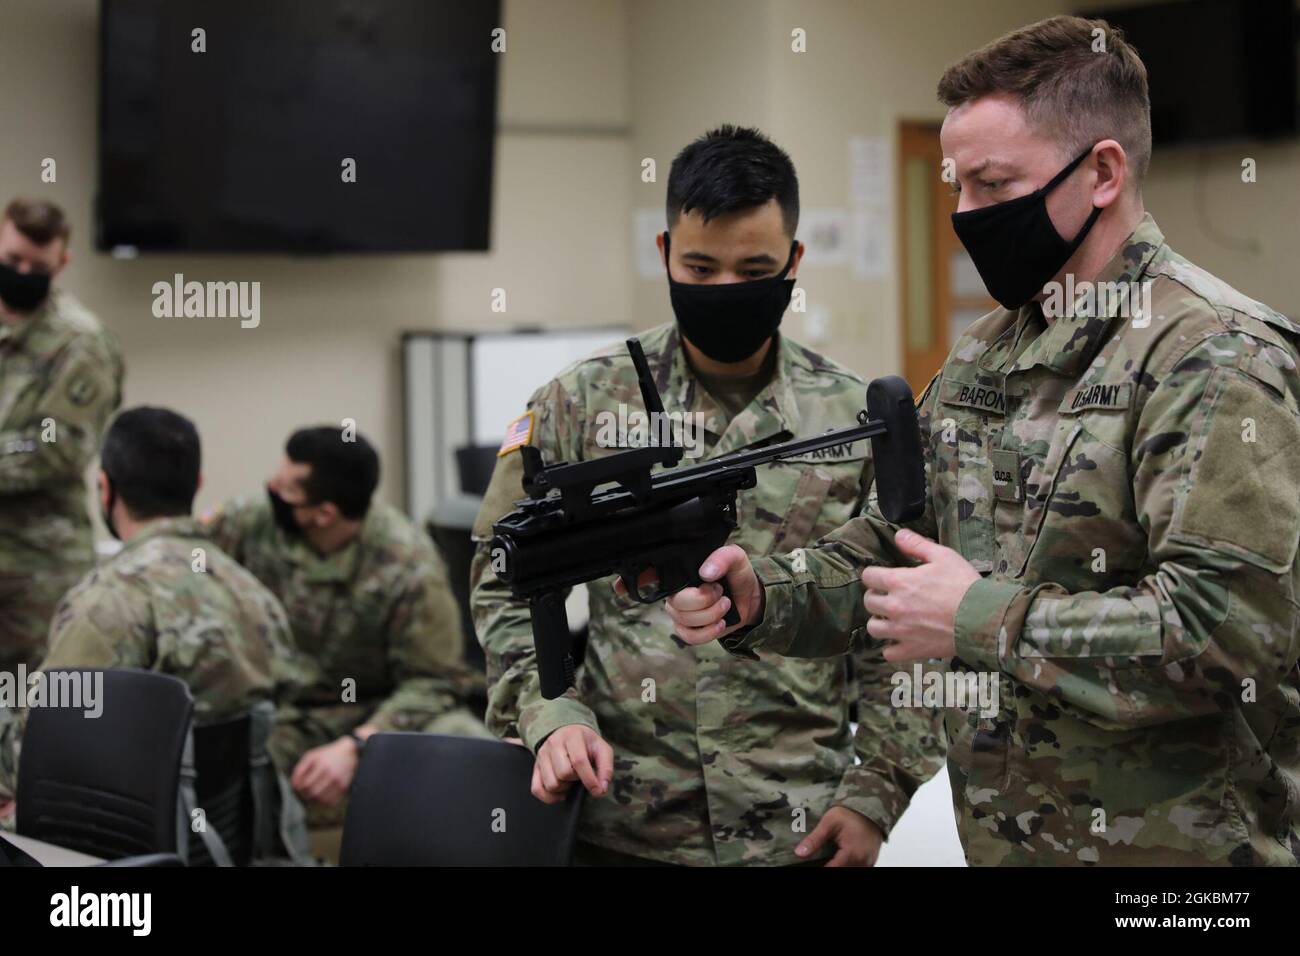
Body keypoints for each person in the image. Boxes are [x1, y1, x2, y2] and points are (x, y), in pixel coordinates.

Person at [665, 16, 1300, 866]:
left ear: (1103, 172)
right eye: (956, 186)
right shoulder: (989, 351)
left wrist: (975, 617)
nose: (966, 217)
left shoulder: (1212, 355)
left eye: (994, 186)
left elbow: (1225, 638)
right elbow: (900, 548)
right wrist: (762, 595)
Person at [471, 126, 944, 867]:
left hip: (798, 823)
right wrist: (548, 711)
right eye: (701, 266)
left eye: (754, 268)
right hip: (622, 819)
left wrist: (876, 791)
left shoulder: (853, 420)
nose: (726, 290)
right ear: (664, 254)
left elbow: (904, 621)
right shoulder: (581, 401)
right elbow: (504, 577)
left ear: (794, 262)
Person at [0, 407, 307, 846]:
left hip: (109, 848)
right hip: (220, 843)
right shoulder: (254, 594)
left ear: (105, 487)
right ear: (197, 486)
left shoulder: (108, 603)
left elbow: (38, 758)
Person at [203, 425, 488, 828]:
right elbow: (185, 554)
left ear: (324, 514)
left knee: (465, 742)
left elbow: (435, 682)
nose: (271, 491)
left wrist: (357, 746)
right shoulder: (251, 524)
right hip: (286, 713)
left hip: (376, 713)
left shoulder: (408, 566)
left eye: (285, 491)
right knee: (212, 762)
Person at [0, 198, 124, 673]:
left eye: (38, 266)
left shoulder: (79, 342)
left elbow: (60, 448)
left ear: (63, 263)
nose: (23, 272)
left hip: (37, 570)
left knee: (39, 715)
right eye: (12, 261)